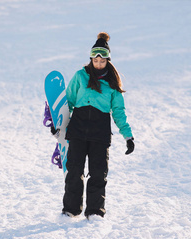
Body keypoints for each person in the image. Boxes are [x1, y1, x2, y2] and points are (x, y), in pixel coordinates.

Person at [53, 32, 134, 219]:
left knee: (98, 174)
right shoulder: (80, 76)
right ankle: (70, 210)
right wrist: (59, 125)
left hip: (100, 133)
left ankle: (95, 211)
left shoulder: (112, 84)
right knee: (74, 172)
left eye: (102, 61)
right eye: (95, 61)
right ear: (91, 59)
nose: (98, 64)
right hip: (78, 131)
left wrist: (128, 136)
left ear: (107, 61)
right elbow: (69, 103)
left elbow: (119, 112)